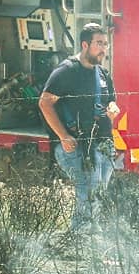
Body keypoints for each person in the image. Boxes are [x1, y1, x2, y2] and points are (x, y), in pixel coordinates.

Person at [39, 23, 121, 231]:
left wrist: (112, 108)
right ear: (85, 44)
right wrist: (63, 136)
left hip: (102, 143)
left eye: (106, 44)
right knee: (88, 191)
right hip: (76, 146)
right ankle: (83, 239)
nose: (104, 49)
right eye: (99, 43)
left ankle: (85, 239)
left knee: (97, 194)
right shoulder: (67, 71)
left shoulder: (102, 74)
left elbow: (110, 101)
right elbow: (45, 102)